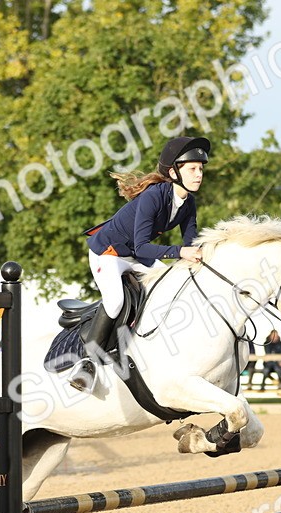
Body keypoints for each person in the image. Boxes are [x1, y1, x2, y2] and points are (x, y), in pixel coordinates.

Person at [66, 135, 209, 393]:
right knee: (116, 301)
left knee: (172, 285)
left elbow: (192, 242)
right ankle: (87, 364)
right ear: (174, 171)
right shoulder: (153, 197)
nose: (199, 174)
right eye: (192, 169)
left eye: (200, 168)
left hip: (136, 255)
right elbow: (145, 245)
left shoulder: (188, 203)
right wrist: (181, 252)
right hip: (108, 253)